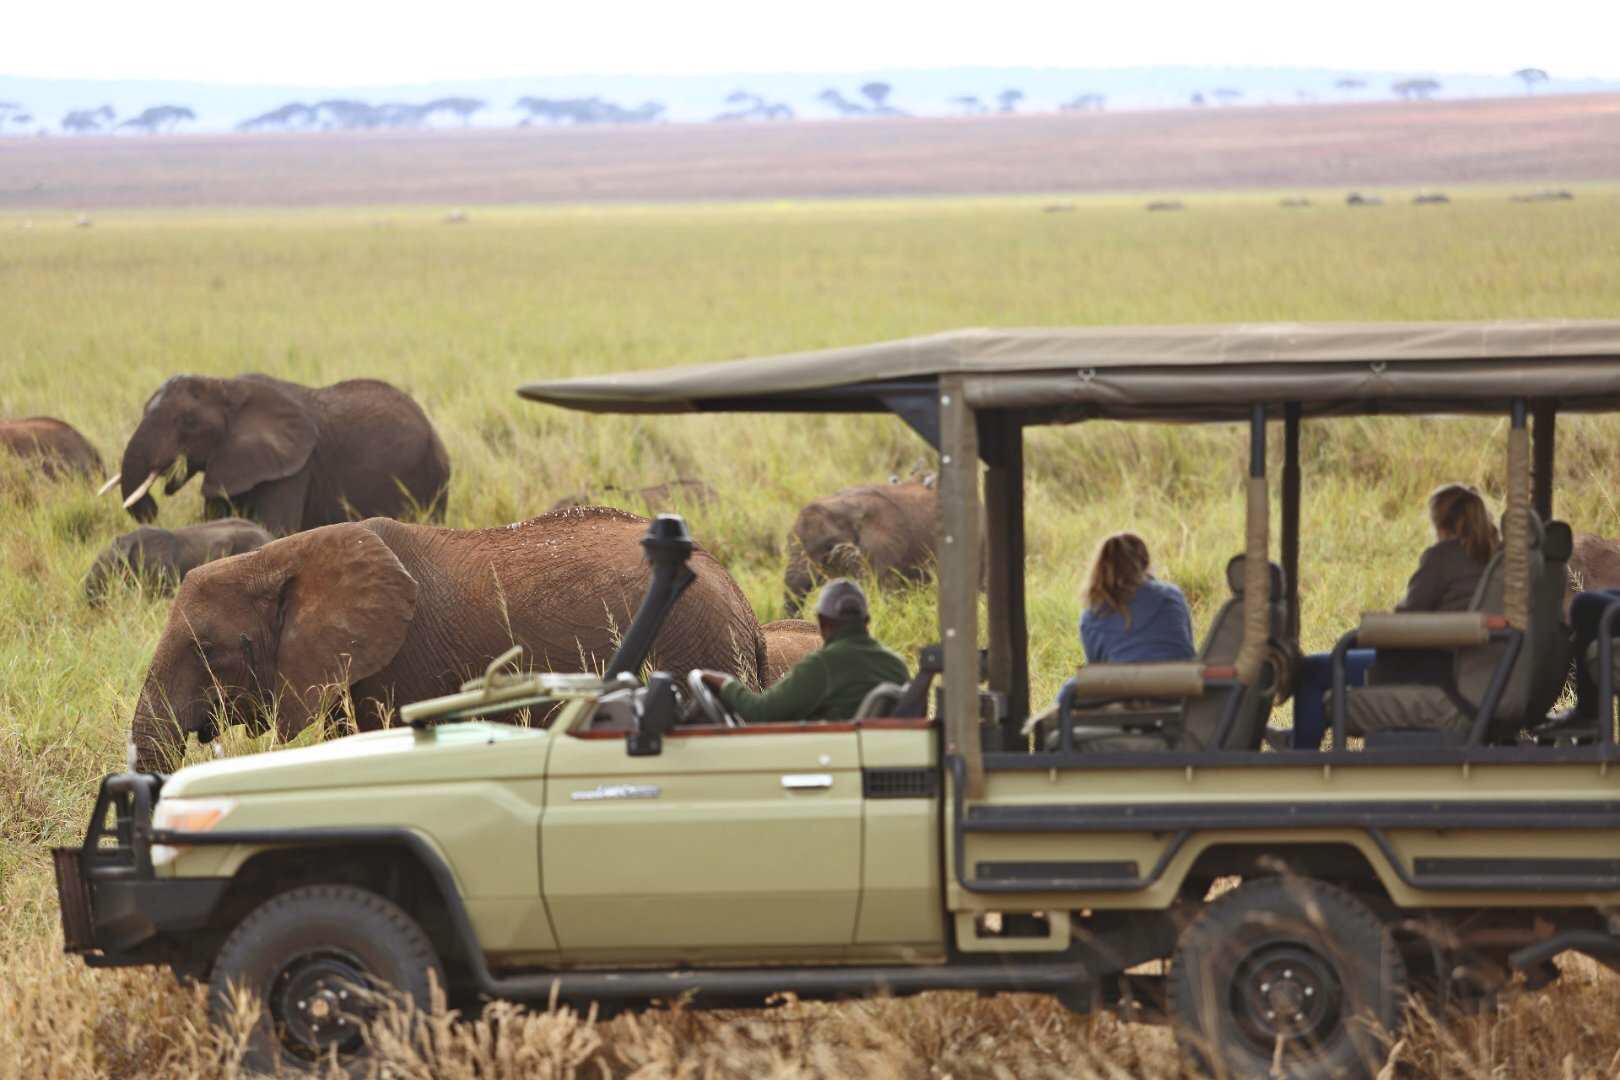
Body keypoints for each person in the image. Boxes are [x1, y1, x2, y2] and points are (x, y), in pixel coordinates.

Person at [1292, 483, 1499, 747]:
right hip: (1471, 673)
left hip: (1438, 673)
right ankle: (1299, 739)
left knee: (1312, 670)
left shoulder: (1443, 557)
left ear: (1440, 524)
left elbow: (1405, 619)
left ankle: (1301, 754)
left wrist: (1374, 628)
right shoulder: (1493, 558)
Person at [699, 578, 908, 724]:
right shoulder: (897, 665)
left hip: (832, 761)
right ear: (866, 621)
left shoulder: (822, 665)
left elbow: (761, 712)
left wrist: (726, 685)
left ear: (823, 622)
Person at [1077, 533, 1196, 664]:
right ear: (1145, 562)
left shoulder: (1092, 615)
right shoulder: (1172, 596)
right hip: (1182, 681)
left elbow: (1096, 674)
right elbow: (1188, 650)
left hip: (1123, 683)